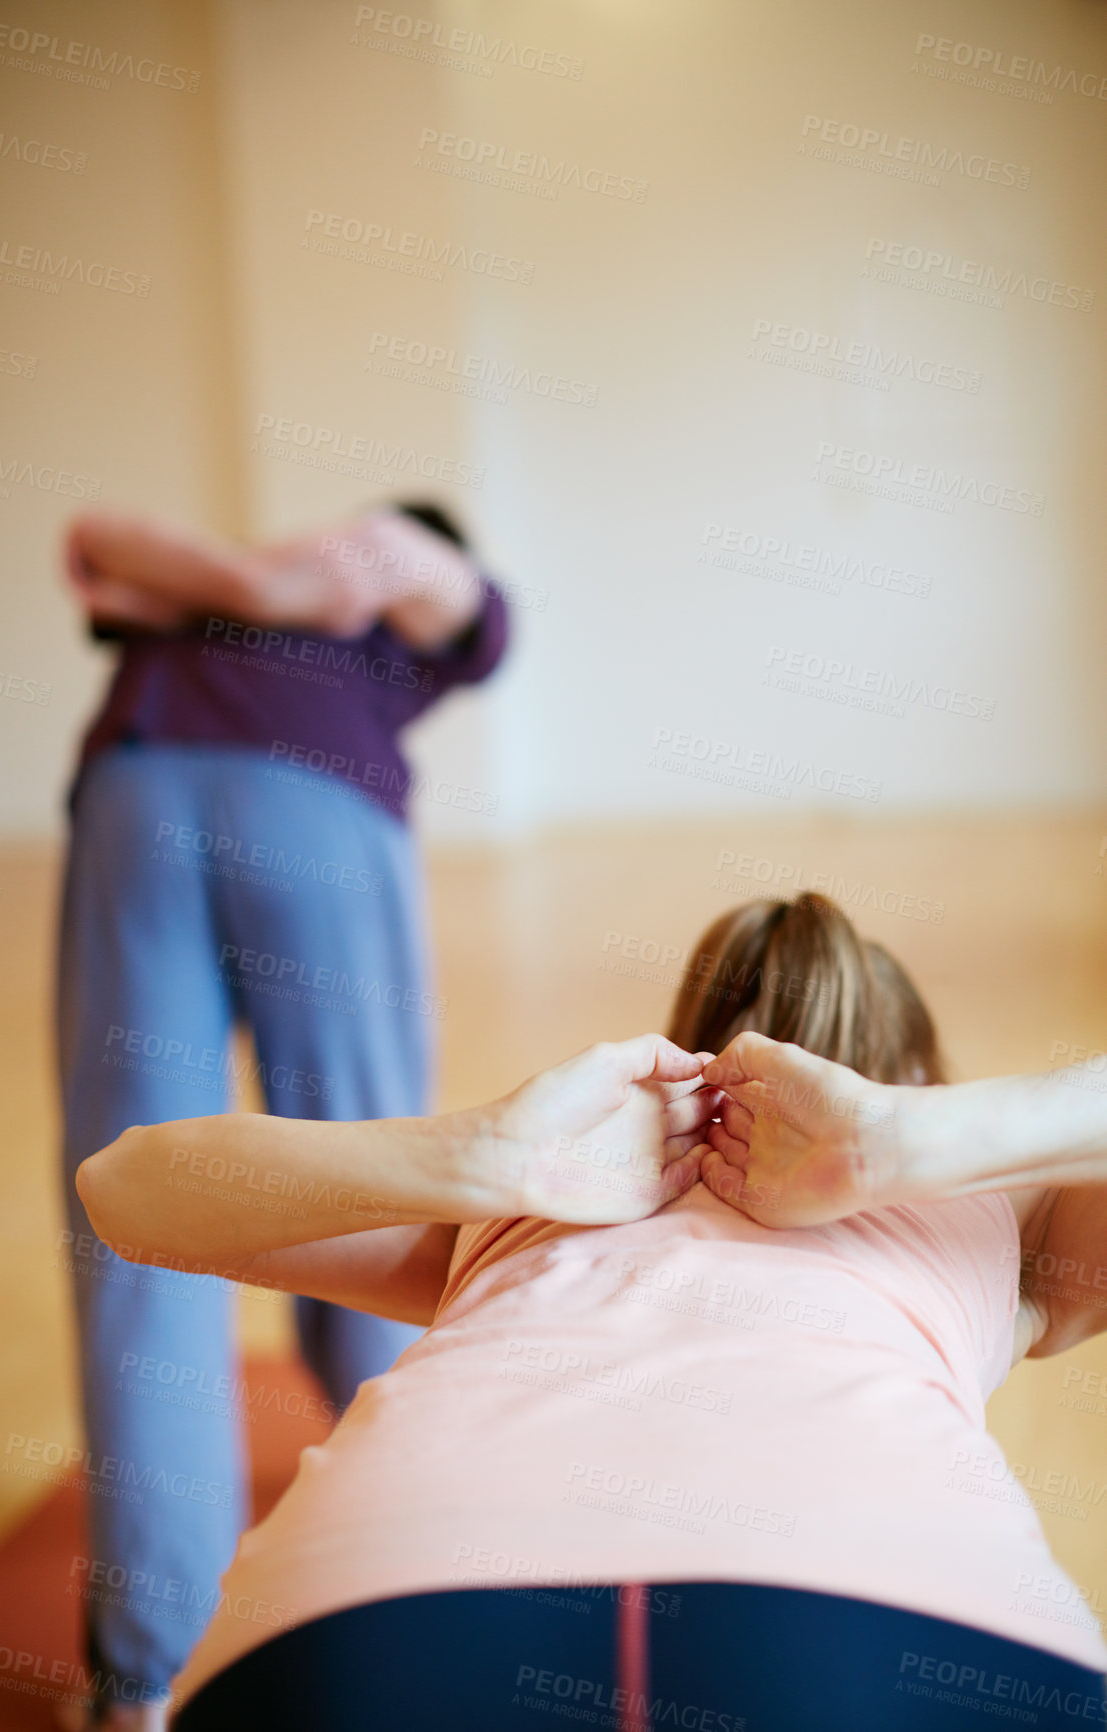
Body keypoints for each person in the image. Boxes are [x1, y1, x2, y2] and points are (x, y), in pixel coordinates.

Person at [76, 895, 1107, 1730]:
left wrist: (477, 1156)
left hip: (376, 1618)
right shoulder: (1004, 1206)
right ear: (920, 1071)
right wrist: (912, 1142)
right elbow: (122, 1192)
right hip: (909, 1626)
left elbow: (123, 1187)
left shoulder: (537, 1198)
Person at [57, 501, 507, 1727]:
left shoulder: (383, 599)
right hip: (312, 815)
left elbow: (107, 547)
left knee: (131, 1213)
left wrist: (247, 581)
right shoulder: (329, 611)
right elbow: (93, 543)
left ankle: (146, 1683)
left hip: (140, 797)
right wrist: (282, 586)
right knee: (373, 1189)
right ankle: (406, 1598)